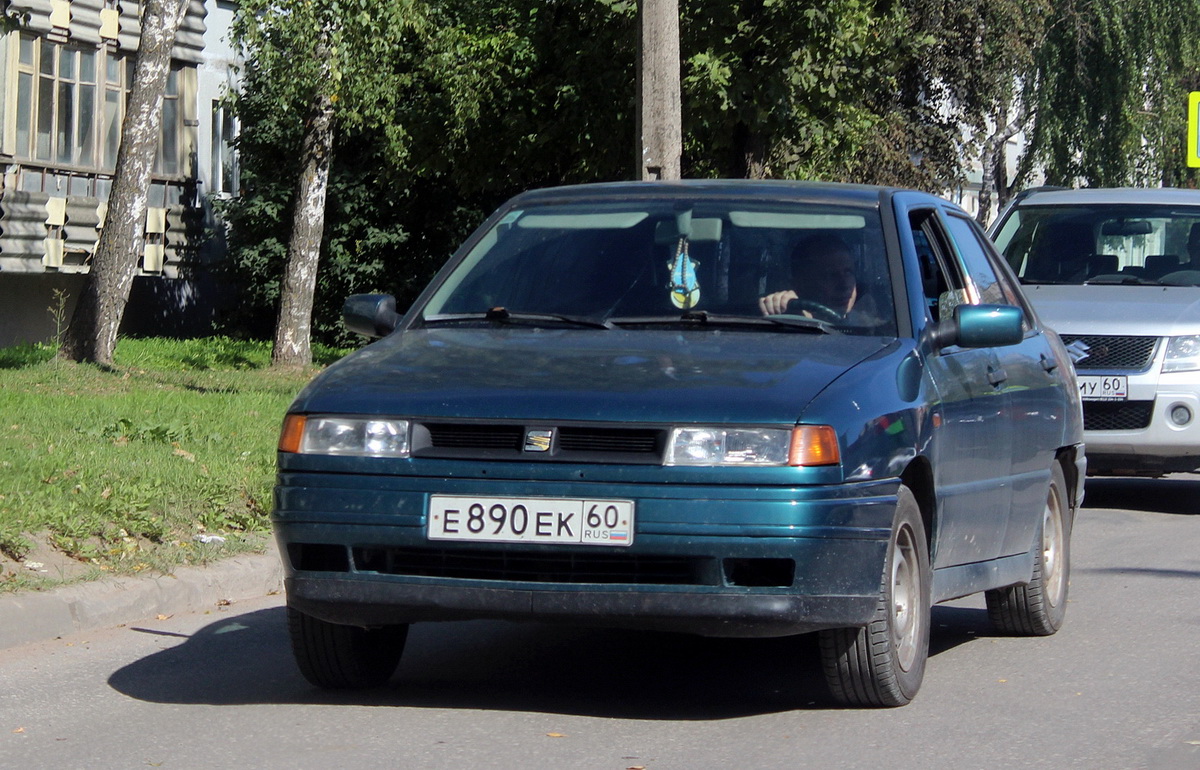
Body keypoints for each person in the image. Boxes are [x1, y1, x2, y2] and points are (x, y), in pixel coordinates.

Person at [759, 233, 859, 317]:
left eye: (848, 272)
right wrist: (784, 309)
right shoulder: (776, 324)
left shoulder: (868, 328)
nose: (844, 286)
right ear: (800, 284)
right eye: (831, 275)